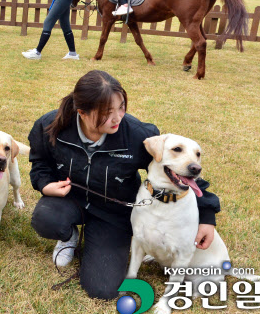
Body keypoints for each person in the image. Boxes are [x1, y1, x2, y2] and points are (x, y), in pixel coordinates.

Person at [27, 70, 221, 300]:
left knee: (103, 289)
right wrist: (45, 185)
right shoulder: (50, 125)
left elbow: (181, 173)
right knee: (45, 219)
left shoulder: (137, 135)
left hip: (113, 213)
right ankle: (68, 237)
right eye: (107, 113)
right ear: (82, 113)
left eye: (121, 107)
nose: (117, 118)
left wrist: (207, 216)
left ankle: (99, 241)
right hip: (70, 200)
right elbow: (40, 162)